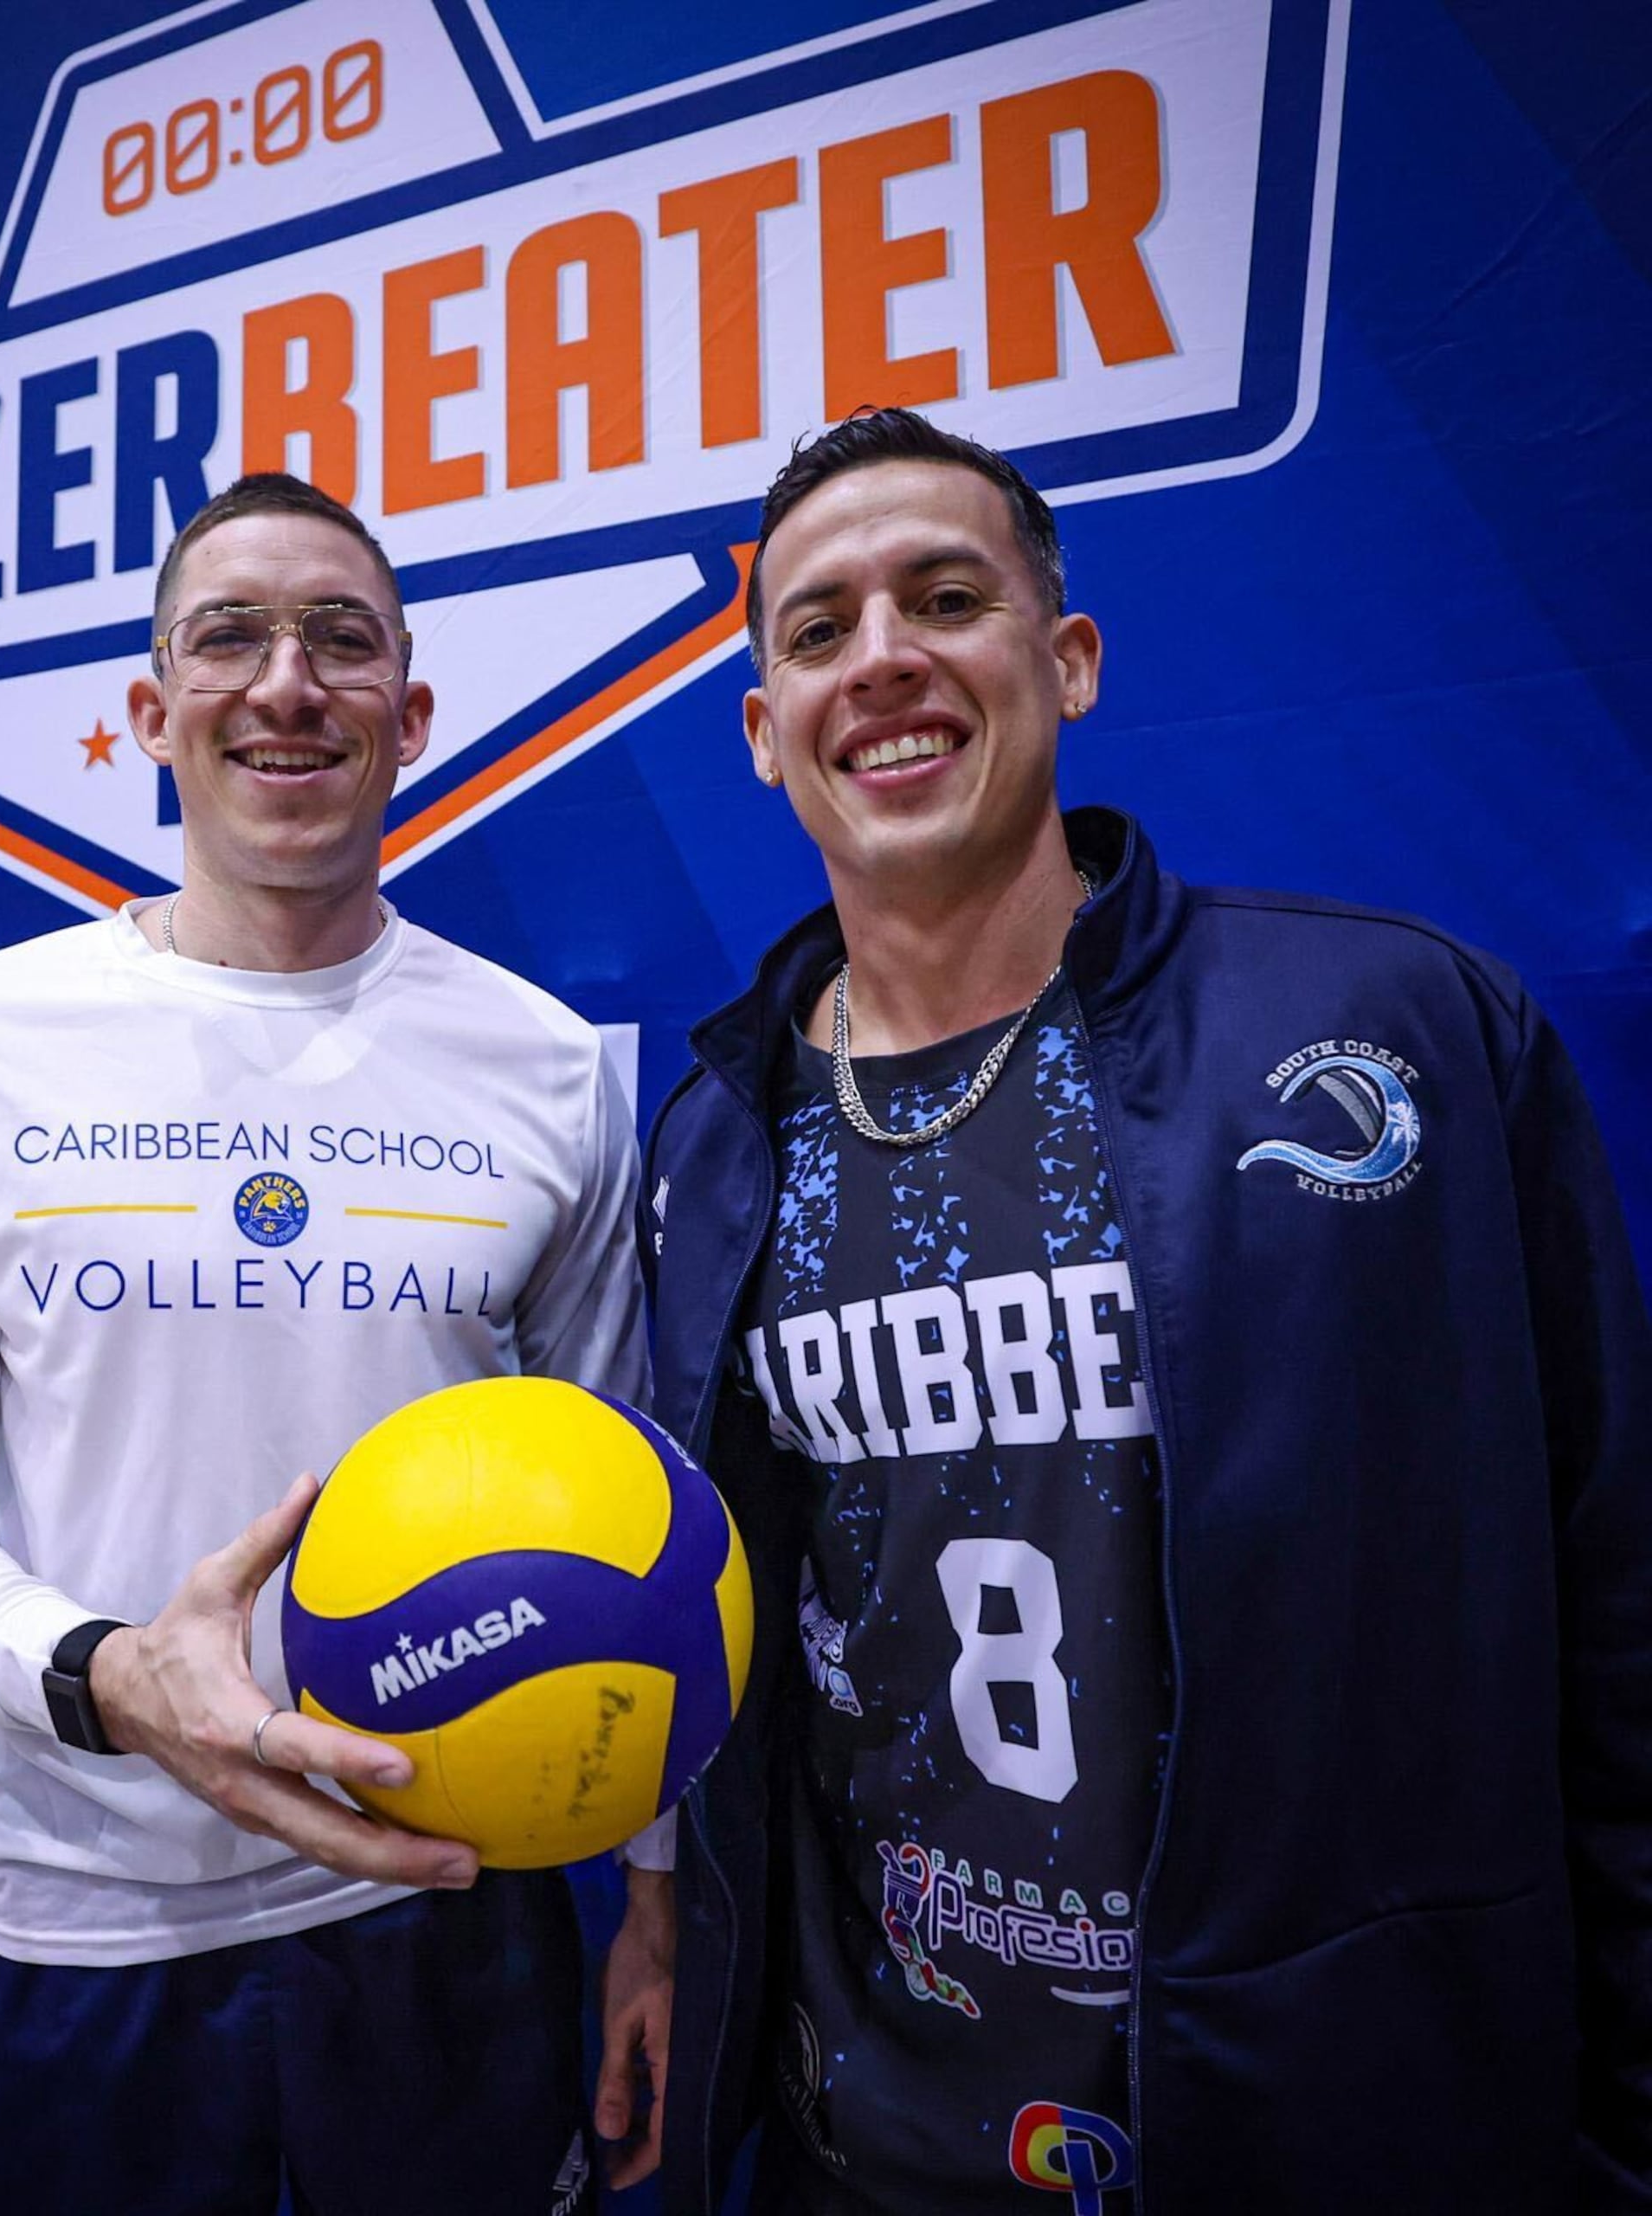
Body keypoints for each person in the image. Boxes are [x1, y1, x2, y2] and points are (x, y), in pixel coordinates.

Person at [640, 408, 1652, 2213]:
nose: (881, 657)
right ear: (760, 734)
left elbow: (1613, 1591)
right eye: (816, 629)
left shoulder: (1394, 1025)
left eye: (942, 596)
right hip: (872, 2134)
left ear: (1065, 659)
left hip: (1327, 2116)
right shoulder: (719, 1136)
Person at [0, 472, 671, 2215]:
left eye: (341, 640)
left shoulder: (550, 1067)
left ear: (409, 714)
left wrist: (652, 1897)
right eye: (232, 637)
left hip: (447, 1903)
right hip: (84, 1921)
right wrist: (106, 1672)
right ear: (151, 710)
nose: (288, 681)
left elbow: (628, 1513)